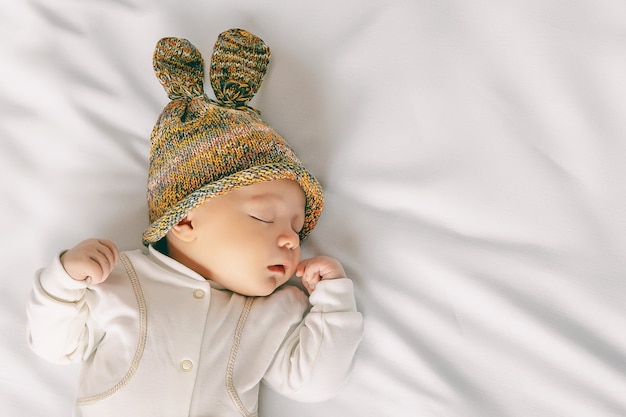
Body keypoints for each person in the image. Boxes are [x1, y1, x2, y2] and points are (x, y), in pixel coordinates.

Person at [26, 28, 363, 417]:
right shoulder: (119, 278)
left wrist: (334, 302)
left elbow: (314, 384)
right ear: (185, 219)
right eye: (263, 217)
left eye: (297, 227)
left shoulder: (272, 312)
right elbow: (55, 346)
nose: (290, 239)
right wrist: (64, 280)